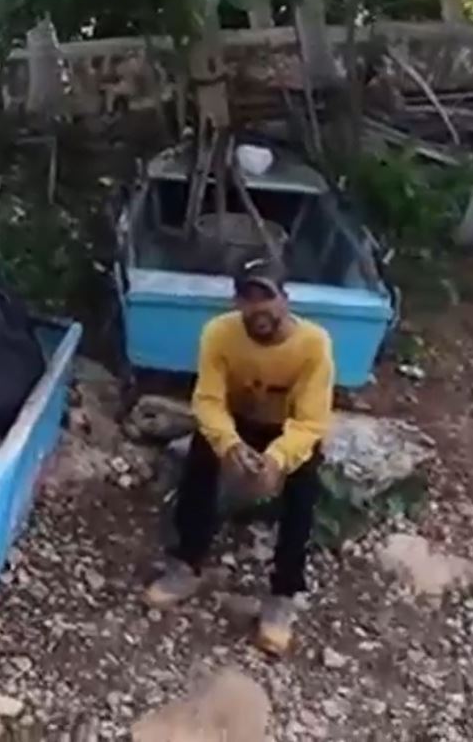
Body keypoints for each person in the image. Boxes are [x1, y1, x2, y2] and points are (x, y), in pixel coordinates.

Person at [143, 254, 335, 655]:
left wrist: (278, 460)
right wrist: (228, 445)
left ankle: (283, 594)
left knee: (303, 493)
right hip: (238, 422)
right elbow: (208, 400)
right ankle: (187, 562)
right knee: (200, 463)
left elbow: (310, 421)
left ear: (285, 299)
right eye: (247, 298)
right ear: (237, 302)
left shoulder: (313, 344)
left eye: (266, 297)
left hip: (286, 430)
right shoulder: (219, 333)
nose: (257, 308)